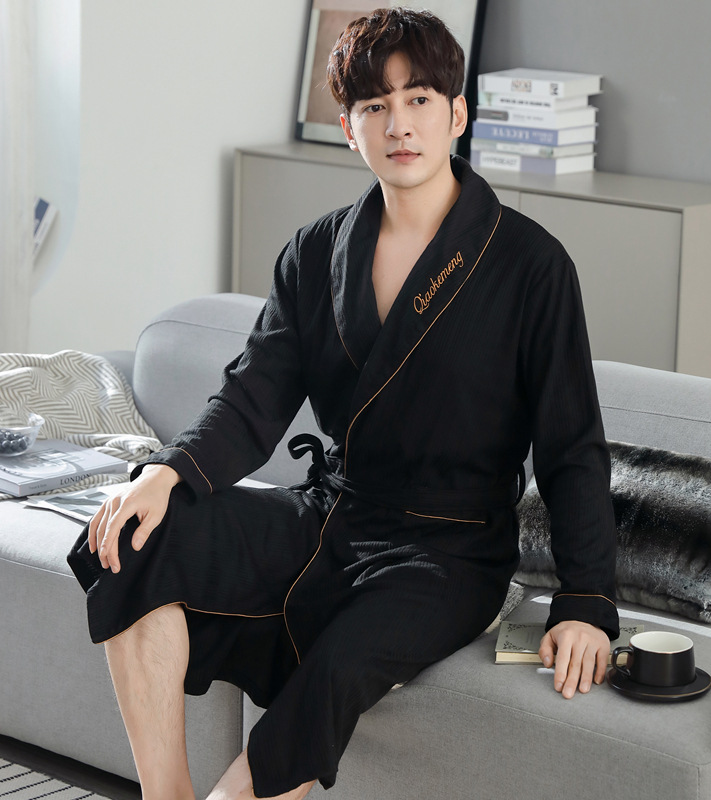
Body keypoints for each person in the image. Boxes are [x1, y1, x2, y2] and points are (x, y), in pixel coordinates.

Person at [68, 7, 619, 800]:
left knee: (340, 663)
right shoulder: (316, 251)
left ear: (457, 115)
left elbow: (571, 448)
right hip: (334, 513)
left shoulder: (532, 266)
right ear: (349, 129)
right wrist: (168, 472)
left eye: (419, 99)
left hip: (449, 553)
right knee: (134, 538)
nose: (400, 124)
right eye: (375, 105)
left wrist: (586, 603)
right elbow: (252, 398)